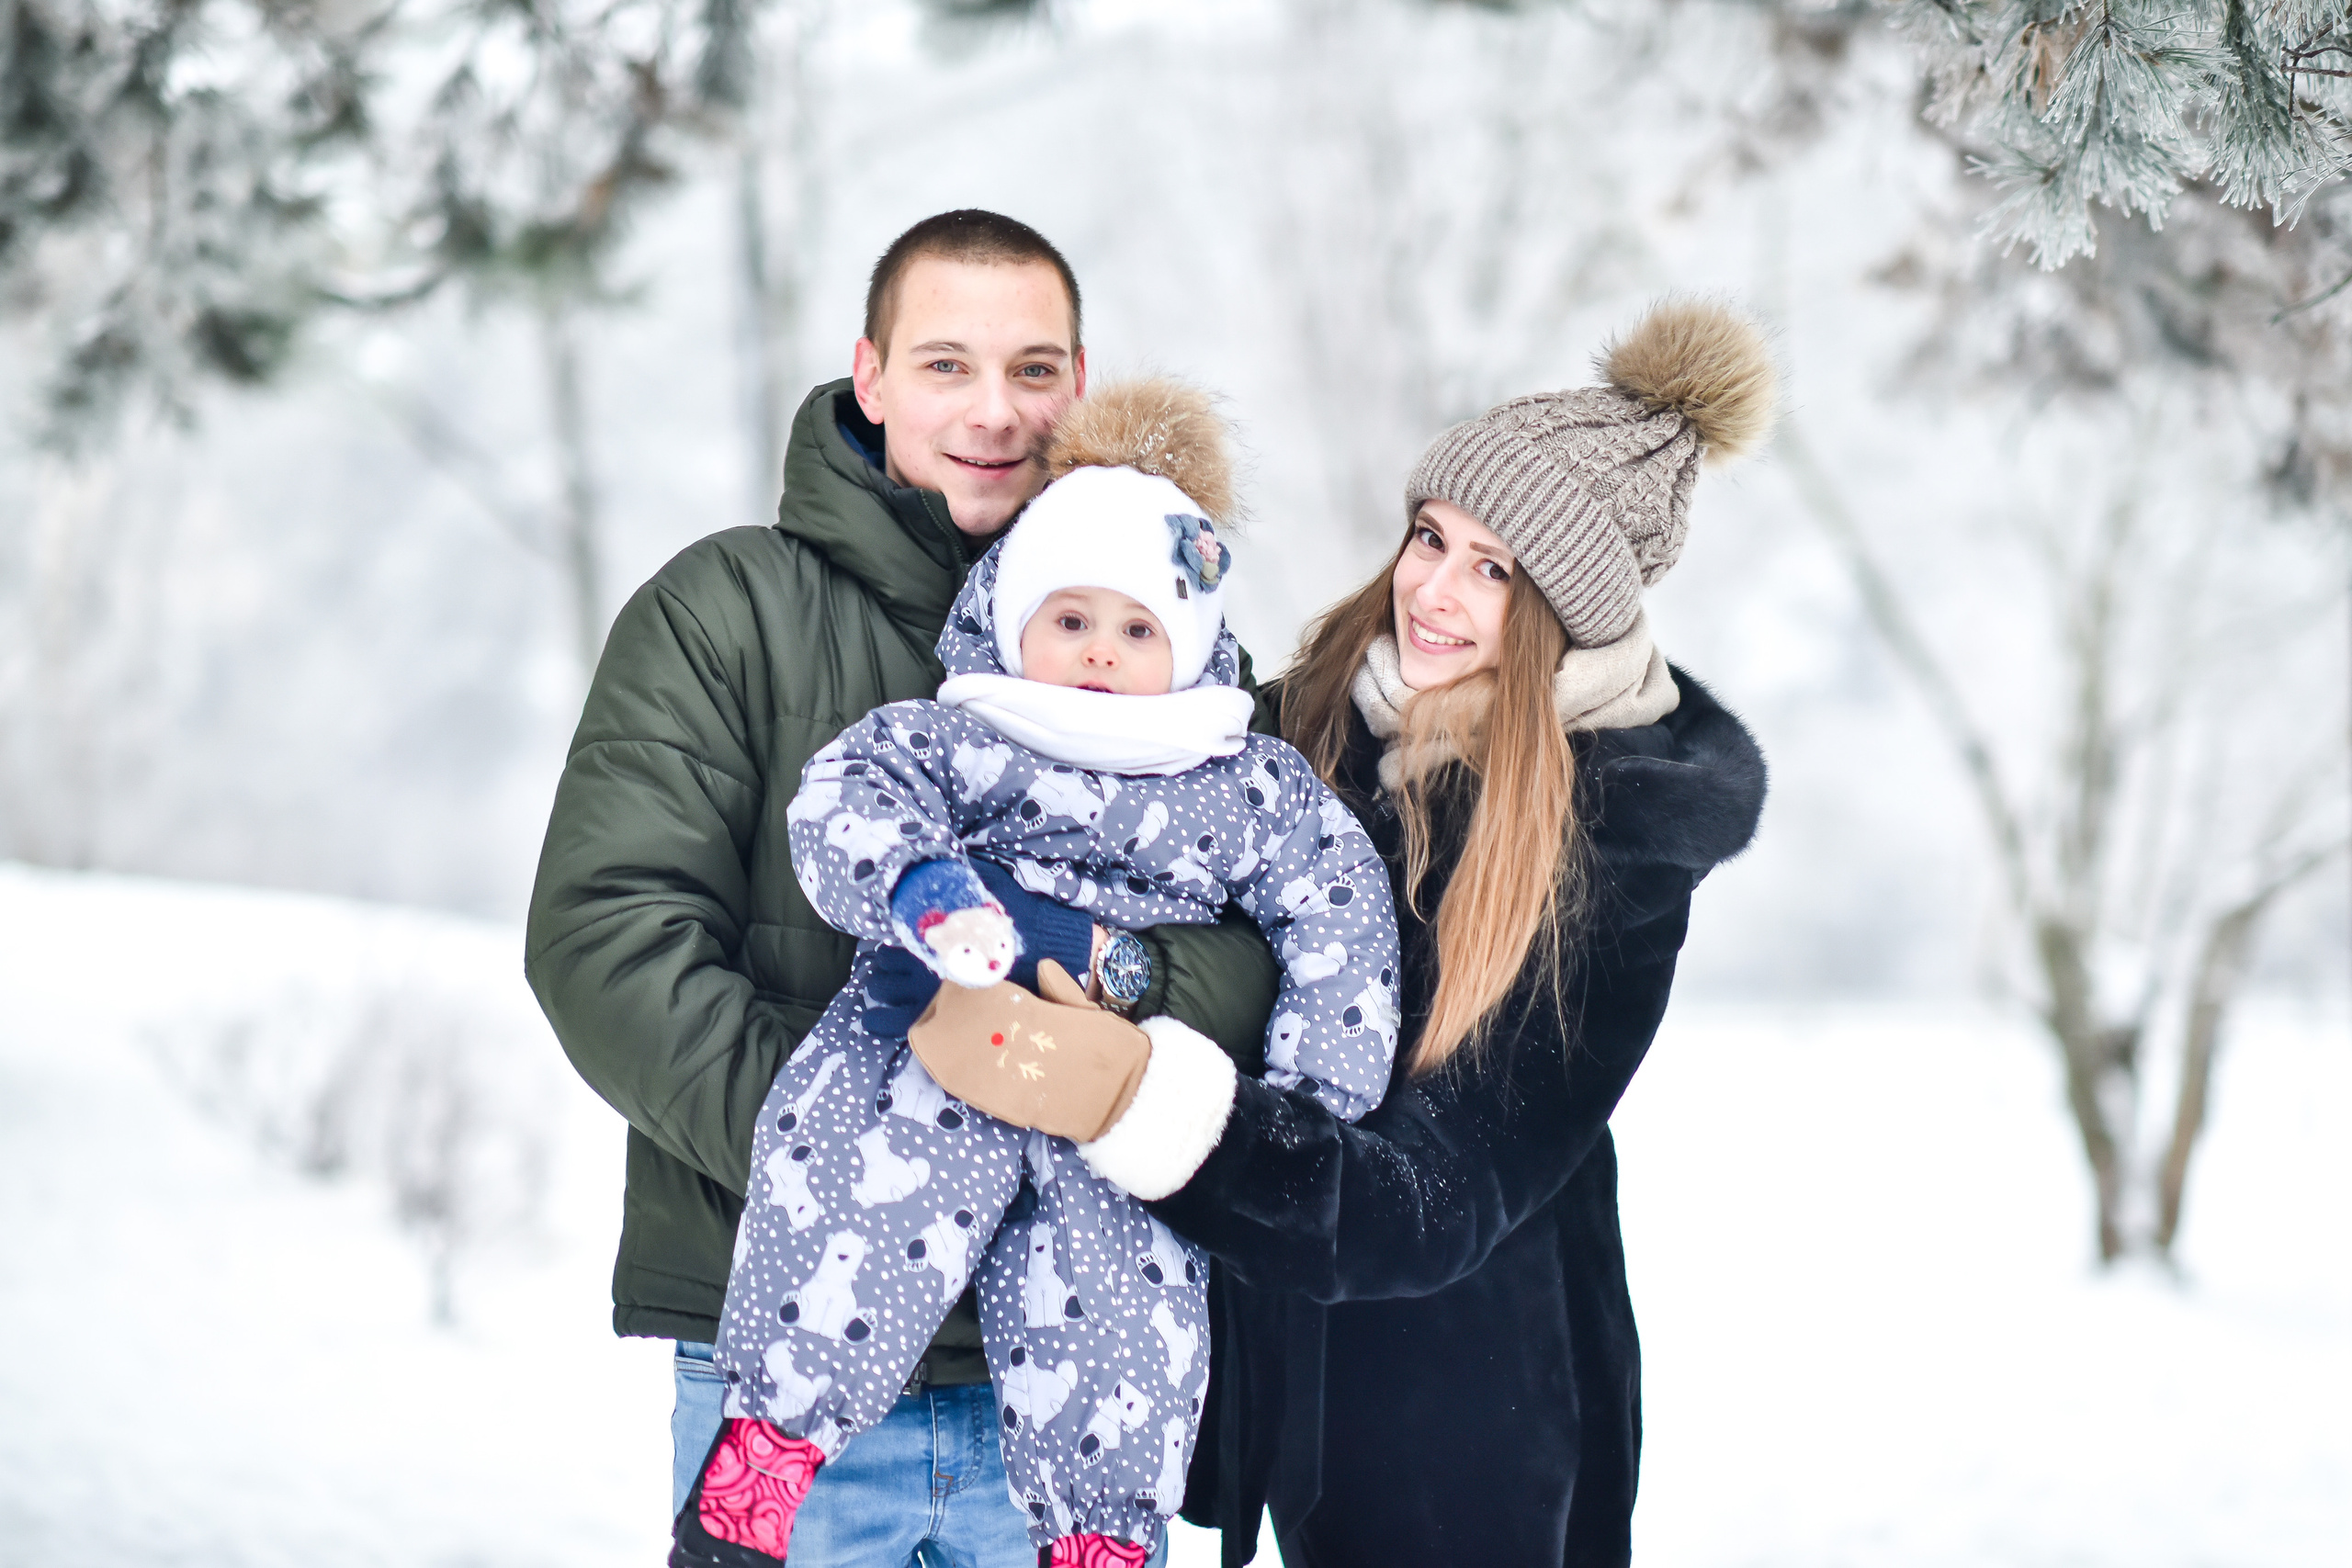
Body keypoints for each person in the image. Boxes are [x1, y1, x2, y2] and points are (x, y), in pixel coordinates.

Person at [908, 299, 1775, 1567]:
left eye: (1496, 570)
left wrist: (1138, 1098)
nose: (1433, 590)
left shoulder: (1613, 846)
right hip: (1300, 1389)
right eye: (1432, 538)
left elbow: (1439, 1192)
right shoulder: (1313, 721)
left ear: (1566, 616)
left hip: (1478, 1426)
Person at [525, 211, 1283, 1567]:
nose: (995, 412)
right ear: (870, 377)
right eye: (946, 366)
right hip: (786, 1379)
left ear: (1082, 384)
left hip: (1075, 1382)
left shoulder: (1171, 656)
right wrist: (870, 1161)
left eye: (1035, 371)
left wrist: (1119, 974)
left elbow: (1265, 950)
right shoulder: (725, 613)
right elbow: (607, 943)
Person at [672, 380, 1401, 1568]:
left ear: (1191, 647)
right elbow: (847, 799)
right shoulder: (961, 735)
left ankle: (1102, 1540)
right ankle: (763, 1461)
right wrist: (916, 885)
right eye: (1069, 622)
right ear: (1012, 623)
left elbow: (1341, 913)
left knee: (1122, 1306)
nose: (1099, 657)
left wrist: (1313, 1098)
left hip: (1113, 1095)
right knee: (850, 1193)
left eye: (1136, 630)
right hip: (936, 1028)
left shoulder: (1243, 783)